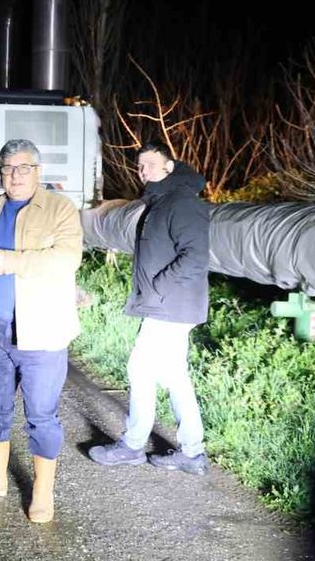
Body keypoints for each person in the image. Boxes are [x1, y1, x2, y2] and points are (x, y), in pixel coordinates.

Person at [0, 139, 83, 524]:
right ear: (0, 172)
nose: (15, 175)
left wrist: (9, 261)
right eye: (7, 168)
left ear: (38, 172)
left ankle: (43, 492)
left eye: (23, 168)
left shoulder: (59, 208)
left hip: (43, 329)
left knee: (41, 414)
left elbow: (67, 257)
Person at [88, 141, 211, 475]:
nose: (143, 171)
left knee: (140, 368)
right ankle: (192, 452)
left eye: (151, 164)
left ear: (169, 167)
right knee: (174, 377)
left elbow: (195, 257)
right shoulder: (162, 201)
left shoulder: (182, 202)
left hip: (170, 305)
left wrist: (157, 288)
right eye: (140, 165)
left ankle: (133, 445)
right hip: (166, 305)